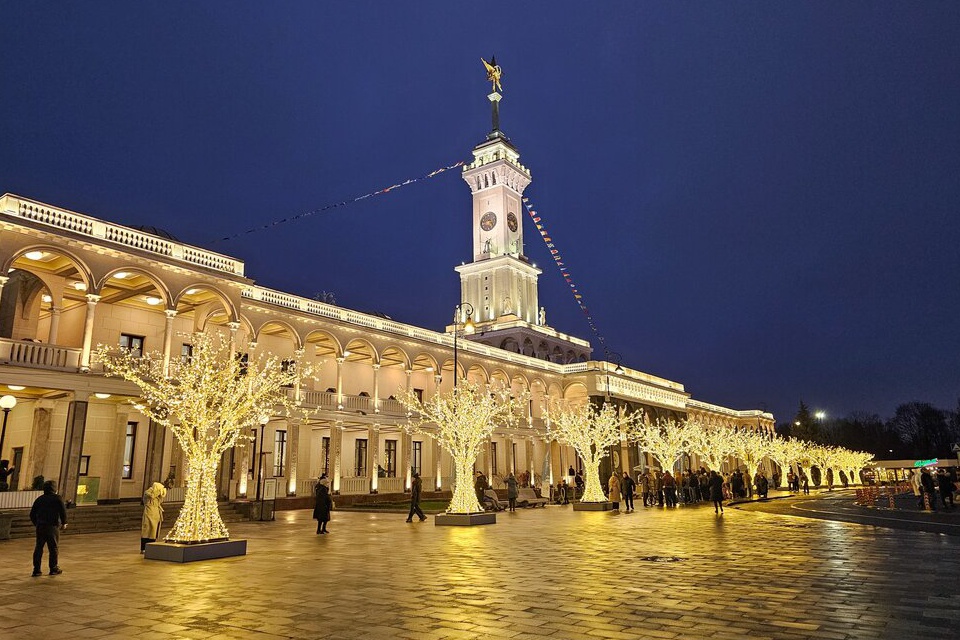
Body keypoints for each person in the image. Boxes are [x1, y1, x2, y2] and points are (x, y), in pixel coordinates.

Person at [30, 480, 67, 576]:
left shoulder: (39, 499)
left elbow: (32, 514)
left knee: (39, 548)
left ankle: (36, 570)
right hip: (52, 526)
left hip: (41, 526)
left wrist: (37, 523)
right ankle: (53, 568)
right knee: (53, 548)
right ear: (54, 489)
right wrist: (64, 522)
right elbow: (63, 511)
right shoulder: (57, 498)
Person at [140, 481, 166, 552]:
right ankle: (144, 548)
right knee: (147, 529)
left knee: (154, 530)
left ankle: (151, 546)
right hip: (149, 512)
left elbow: (162, 498)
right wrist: (157, 491)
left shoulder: (158, 497)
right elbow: (151, 496)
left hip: (156, 513)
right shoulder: (148, 493)